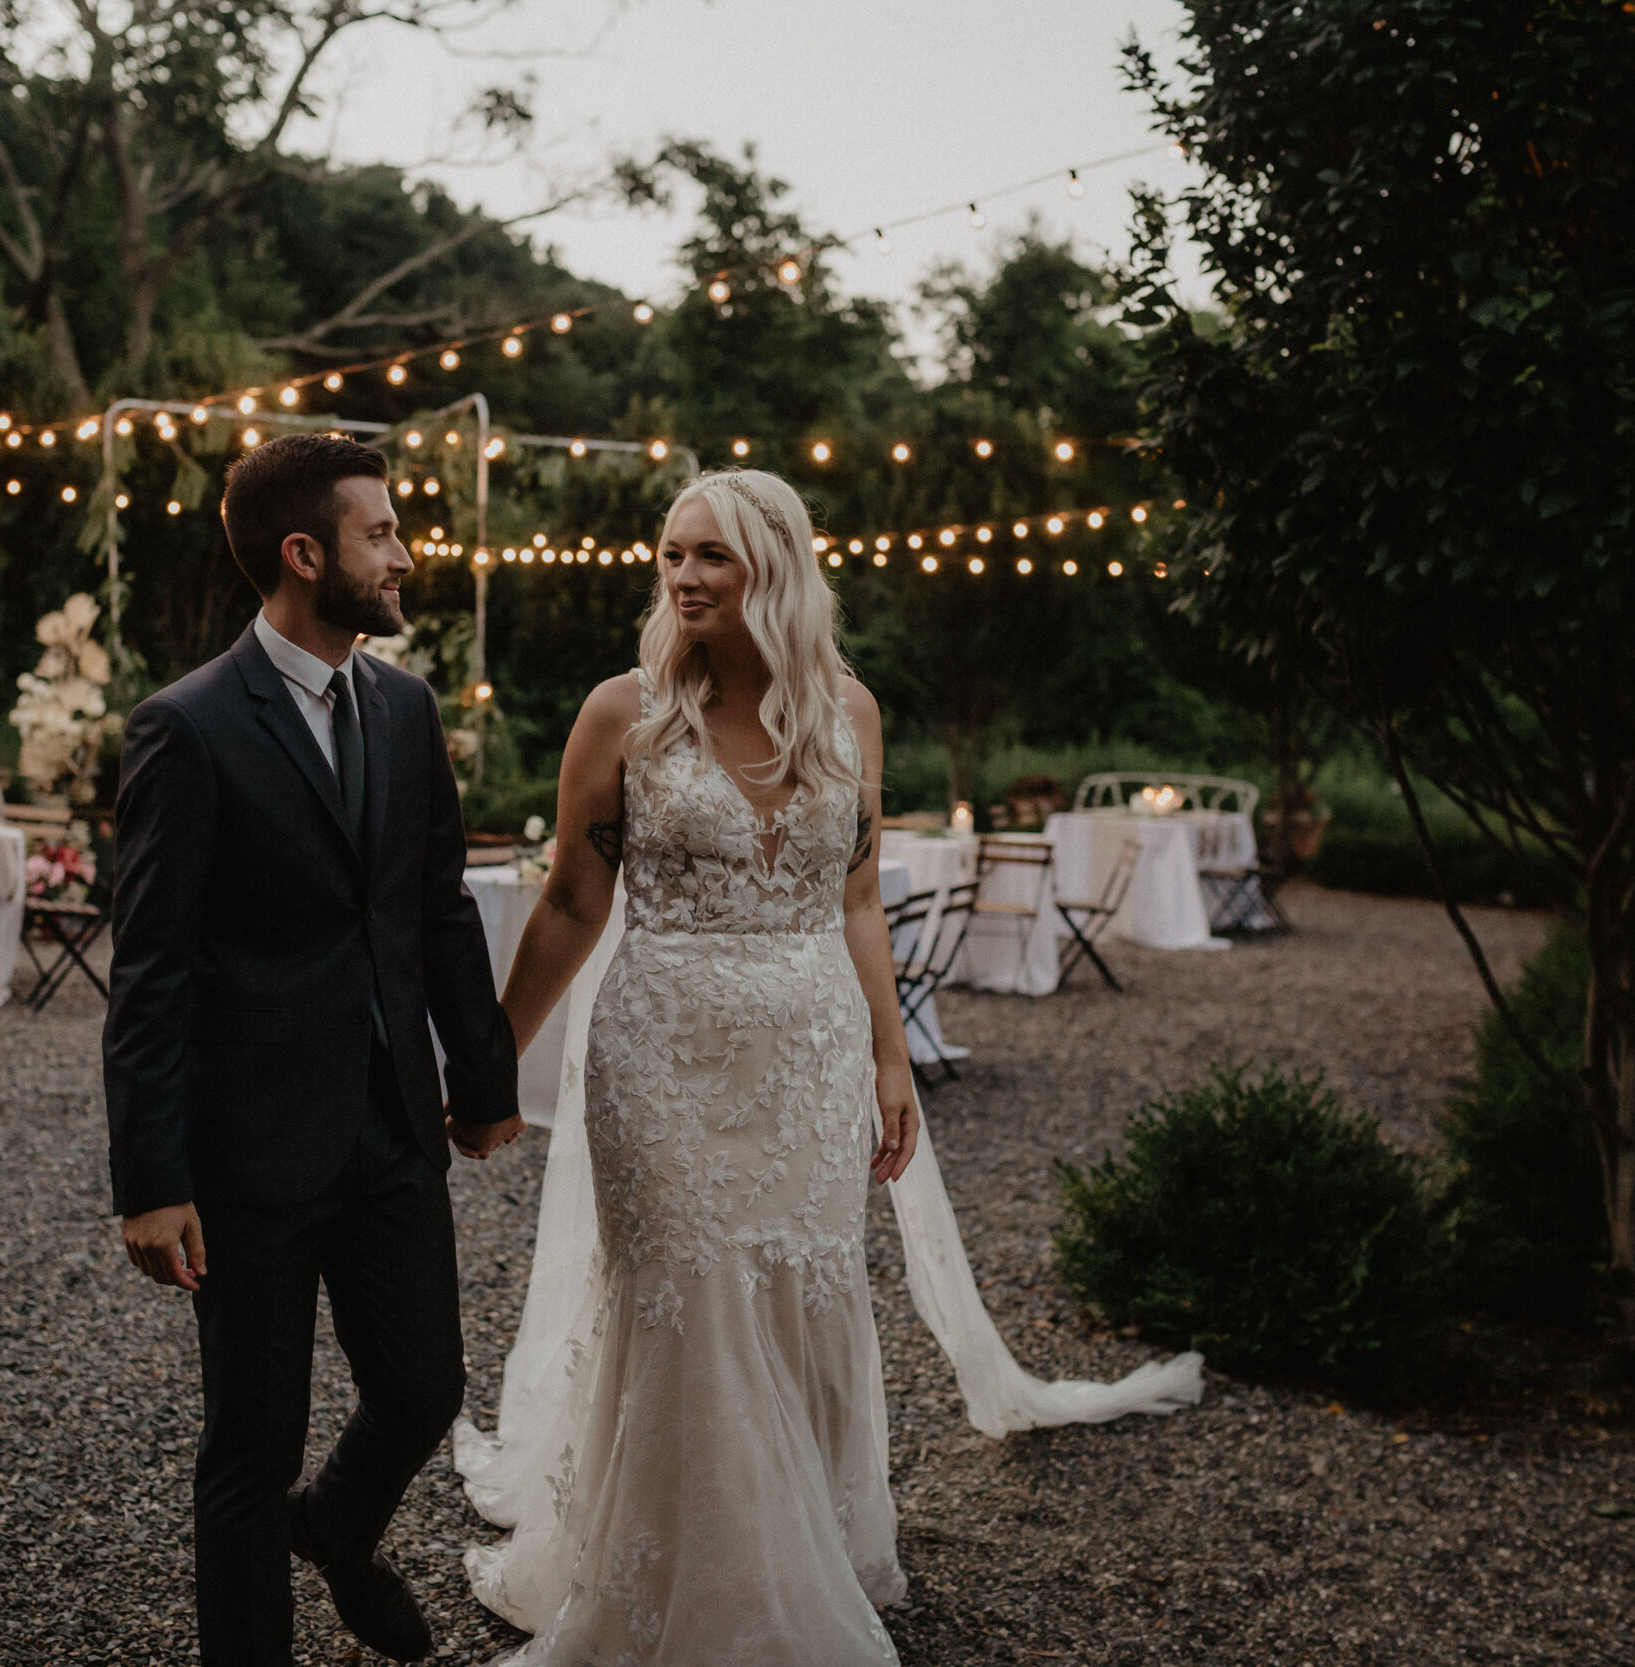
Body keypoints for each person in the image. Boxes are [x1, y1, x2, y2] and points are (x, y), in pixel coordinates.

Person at [452, 470, 1204, 1665]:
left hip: (809, 1053)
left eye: (712, 555)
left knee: (798, 1289)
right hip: (662, 1050)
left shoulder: (848, 711)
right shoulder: (622, 712)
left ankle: (796, 1547)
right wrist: (489, 1061)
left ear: (778, 567)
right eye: (672, 553)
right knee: (687, 1291)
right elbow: (571, 901)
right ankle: (677, 1581)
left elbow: (855, 899)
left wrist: (892, 1055)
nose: (683, 576)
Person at [104, 431, 523, 1667]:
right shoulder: (185, 727)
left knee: (425, 1388)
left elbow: (436, 907)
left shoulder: (404, 707)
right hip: (251, 1150)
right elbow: (151, 969)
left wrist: (483, 1078)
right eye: (379, 533)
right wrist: (151, 1177)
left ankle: (335, 1526)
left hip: (392, 1126)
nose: (404, 555)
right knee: (250, 1445)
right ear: (303, 553)